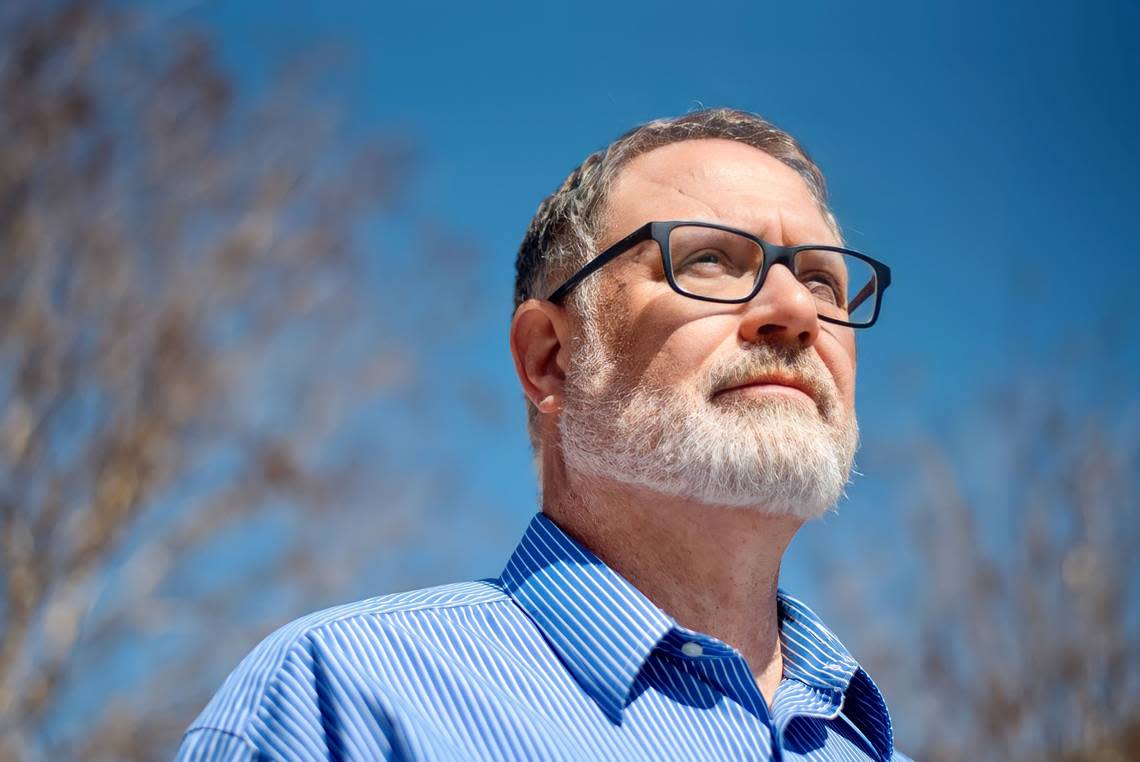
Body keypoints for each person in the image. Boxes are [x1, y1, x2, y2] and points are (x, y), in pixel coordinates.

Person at [176, 108, 907, 761]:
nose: (795, 311)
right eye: (709, 260)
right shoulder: (342, 700)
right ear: (551, 358)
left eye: (822, 281)